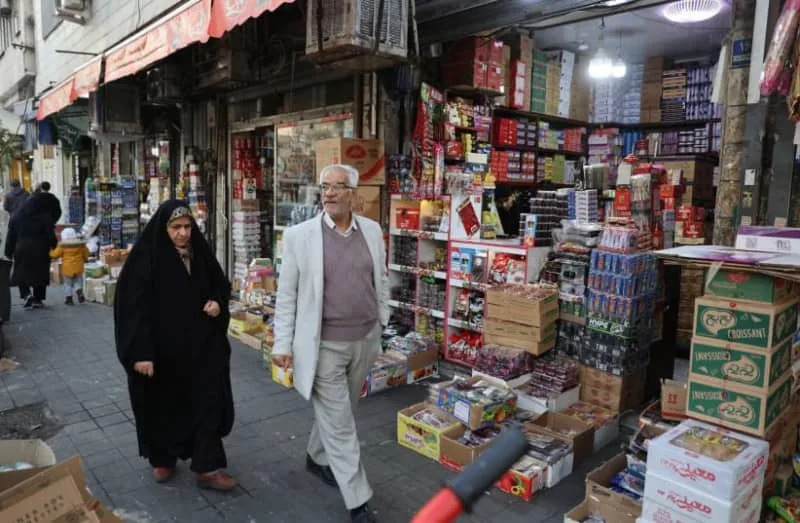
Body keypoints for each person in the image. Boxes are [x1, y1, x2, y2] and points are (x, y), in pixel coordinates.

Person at [272, 164, 389, 523]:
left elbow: (379, 278)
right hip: (323, 345)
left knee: (342, 410)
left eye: (339, 187)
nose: (330, 193)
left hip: (365, 340)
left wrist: (382, 321)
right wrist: (282, 344)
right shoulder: (299, 236)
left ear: (354, 194)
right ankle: (358, 501)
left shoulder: (371, 231)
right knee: (341, 423)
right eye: (325, 186)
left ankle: (315, 455)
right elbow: (287, 295)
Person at [114, 200, 237, 491]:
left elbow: (221, 285)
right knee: (161, 406)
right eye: (176, 227)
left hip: (200, 349)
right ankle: (163, 457)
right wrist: (140, 353)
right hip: (161, 354)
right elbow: (132, 309)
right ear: (163, 228)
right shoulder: (145, 260)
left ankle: (207, 467)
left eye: (187, 226)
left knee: (206, 403)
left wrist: (217, 304)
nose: (183, 233)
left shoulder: (201, 254)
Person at [5, 192, 58, 309]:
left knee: (22, 273)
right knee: (40, 273)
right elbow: (50, 234)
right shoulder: (45, 217)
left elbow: (11, 236)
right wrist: (54, 246)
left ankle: (26, 295)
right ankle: (38, 299)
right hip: (41, 249)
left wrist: (8, 252)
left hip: (21, 248)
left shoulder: (16, 216)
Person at [49, 227, 89, 305]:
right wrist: (85, 259)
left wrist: (50, 250)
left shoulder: (63, 246)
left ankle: (69, 299)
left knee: (68, 284)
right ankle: (79, 292)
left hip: (67, 268)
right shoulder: (81, 245)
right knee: (78, 281)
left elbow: (55, 255)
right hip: (79, 267)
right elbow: (86, 253)